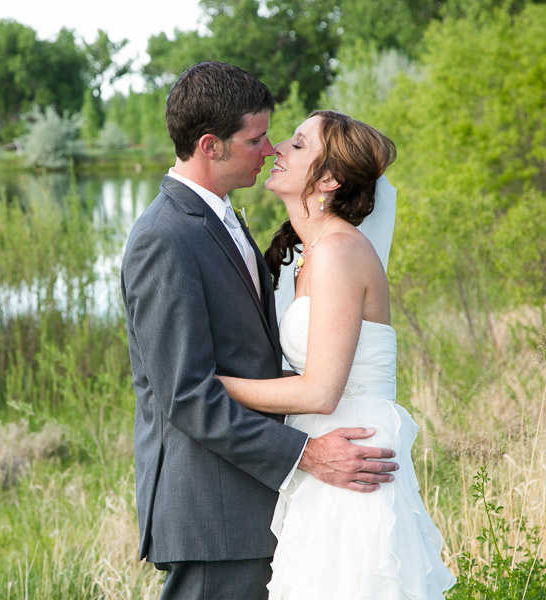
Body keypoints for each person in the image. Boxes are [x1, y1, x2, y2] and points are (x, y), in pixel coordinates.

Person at [120, 62, 400, 600]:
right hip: (213, 510)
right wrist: (304, 453)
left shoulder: (227, 219)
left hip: (265, 500)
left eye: (284, 140)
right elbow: (188, 395)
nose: (271, 149)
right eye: (257, 138)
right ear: (210, 145)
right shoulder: (164, 238)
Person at [216, 110, 456, 598]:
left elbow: (322, 391)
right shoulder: (313, 252)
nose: (278, 147)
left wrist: (210, 385)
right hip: (328, 455)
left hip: (352, 458)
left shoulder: (338, 253)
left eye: (298, 144)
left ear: (328, 179)